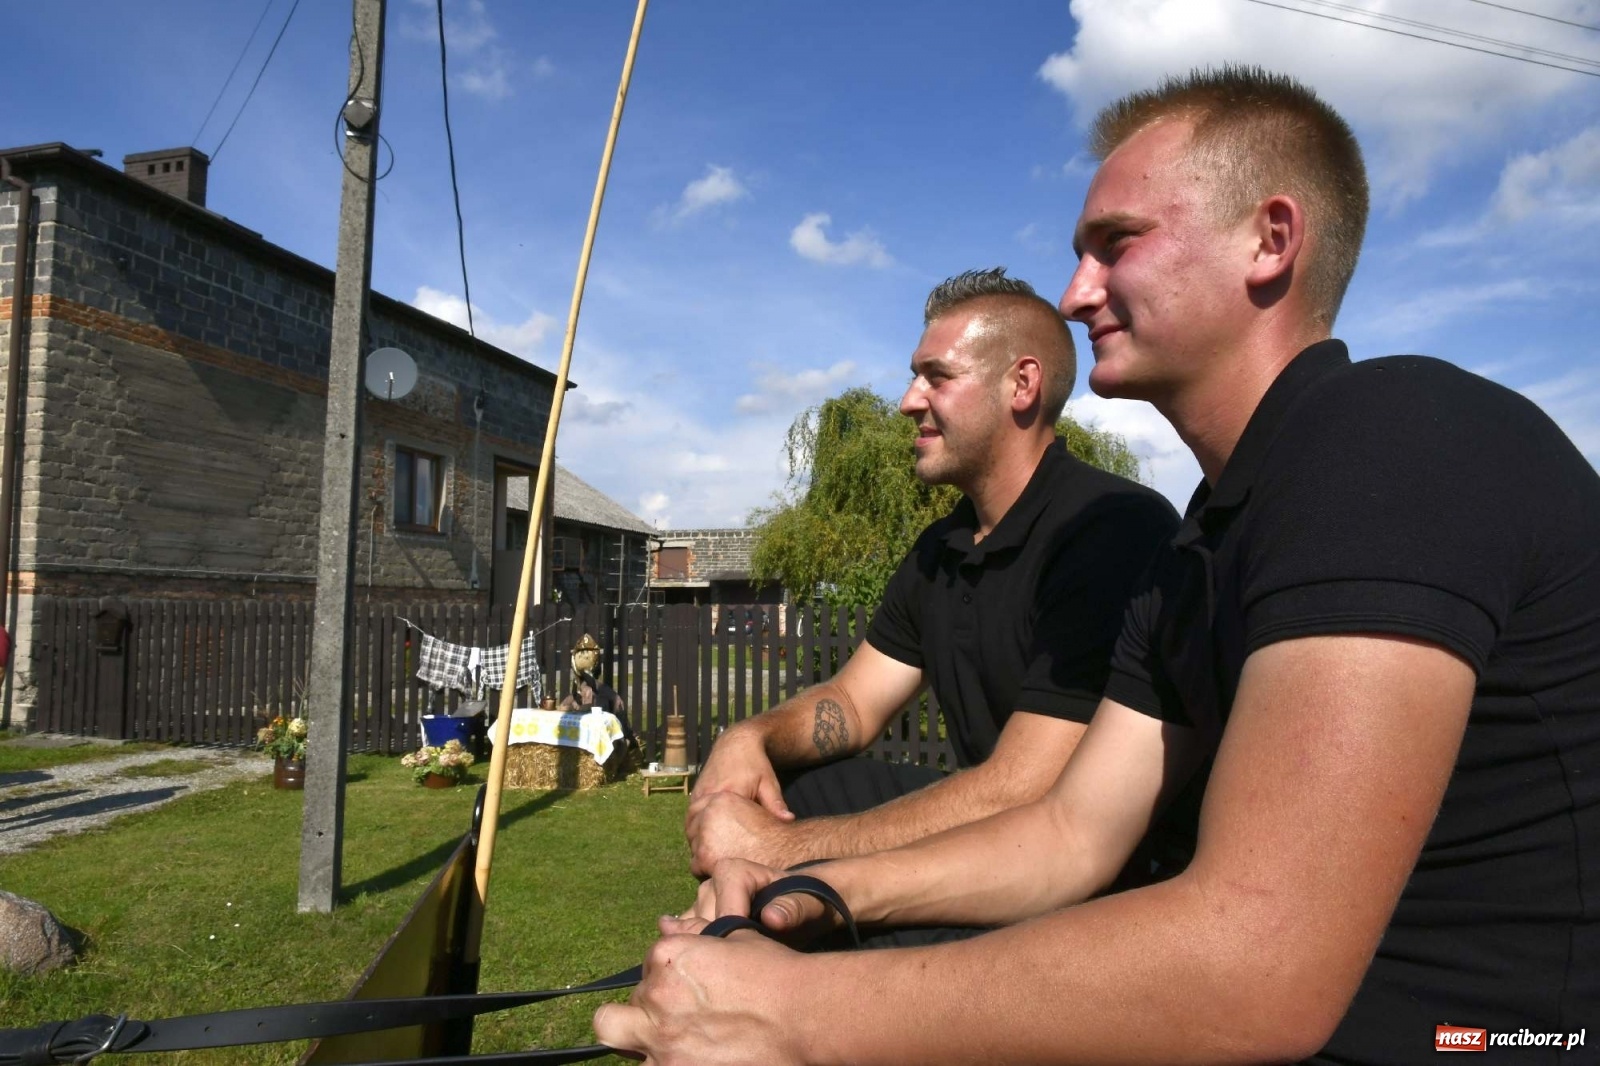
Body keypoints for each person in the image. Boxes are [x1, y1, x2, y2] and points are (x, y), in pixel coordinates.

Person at [596, 66, 1600, 1064]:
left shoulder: (1386, 438)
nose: (1076, 294)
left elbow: (1253, 965)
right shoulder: (1196, 549)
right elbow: (1070, 836)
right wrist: (807, 896)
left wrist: (785, 1012)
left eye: (1115, 246)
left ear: (1270, 239)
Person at [684, 268, 1178, 900]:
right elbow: (855, 705)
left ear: (1021, 385)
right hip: (996, 841)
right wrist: (748, 739)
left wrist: (780, 850)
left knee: (778, 847)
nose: (908, 401)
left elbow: (1026, 788)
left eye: (937, 377)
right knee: (795, 789)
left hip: (1103, 887)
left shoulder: (1108, 529)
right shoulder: (939, 550)